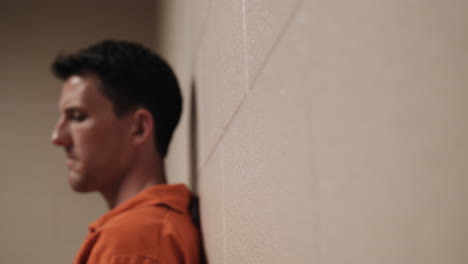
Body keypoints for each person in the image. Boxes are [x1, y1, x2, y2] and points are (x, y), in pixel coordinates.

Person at [50, 40, 200, 264]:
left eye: (77, 116)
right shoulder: (152, 230)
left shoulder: (131, 243)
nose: (57, 138)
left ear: (139, 128)